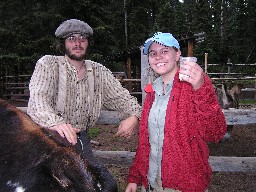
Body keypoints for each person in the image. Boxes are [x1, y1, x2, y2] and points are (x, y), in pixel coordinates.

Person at [125, 32, 227, 192]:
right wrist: (134, 177)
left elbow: (216, 133)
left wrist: (200, 88)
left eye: (164, 51)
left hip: (186, 186)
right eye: (153, 53)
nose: (158, 56)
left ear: (178, 54)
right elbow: (146, 142)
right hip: (151, 184)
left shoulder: (195, 85)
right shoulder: (151, 92)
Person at [27, 19, 141, 160]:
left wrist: (134, 116)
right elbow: (38, 101)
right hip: (48, 140)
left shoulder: (99, 71)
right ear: (63, 43)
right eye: (71, 38)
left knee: (90, 180)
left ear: (88, 43)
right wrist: (56, 123)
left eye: (82, 38)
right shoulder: (49, 65)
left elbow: (122, 98)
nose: (77, 43)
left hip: (82, 140)